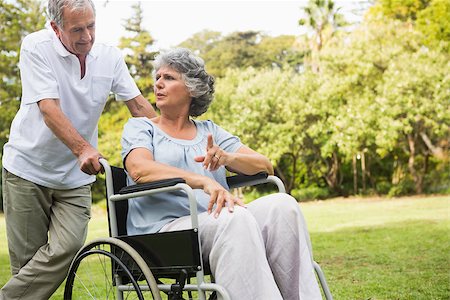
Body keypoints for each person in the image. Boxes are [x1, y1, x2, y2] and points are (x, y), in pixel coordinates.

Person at [120, 48, 322, 299]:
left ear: (192, 89)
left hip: (215, 221)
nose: (158, 83)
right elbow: (139, 169)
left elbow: (264, 166)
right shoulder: (141, 127)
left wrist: (228, 158)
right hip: (165, 232)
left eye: (169, 78)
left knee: (283, 205)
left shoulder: (209, 131)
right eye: (158, 77)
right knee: (234, 217)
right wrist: (202, 181)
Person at [0, 0, 156, 298]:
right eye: (77, 29)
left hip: (75, 178)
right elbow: (49, 108)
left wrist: (176, 139)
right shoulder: (36, 47)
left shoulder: (109, 56)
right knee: (28, 268)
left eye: (91, 26)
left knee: (69, 246)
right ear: (56, 28)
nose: (87, 36)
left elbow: (138, 105)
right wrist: (83, 149)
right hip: (28, 170)